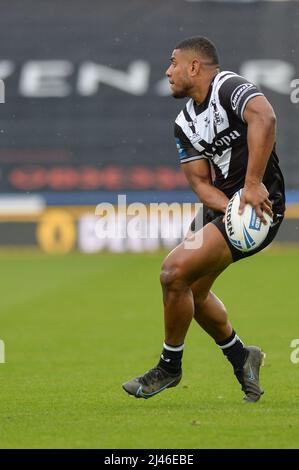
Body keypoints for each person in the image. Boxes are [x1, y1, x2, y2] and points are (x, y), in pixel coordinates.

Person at [122, 36, 285, 402]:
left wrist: (252, 185)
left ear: (194, 67)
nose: (168, 71)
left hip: (261, 204)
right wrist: (228, 207)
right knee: (190, 291)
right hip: (224, 207)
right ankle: (242, 357)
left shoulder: (228, 86)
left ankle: (169, 367)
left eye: (173, 62)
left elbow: (266, 117)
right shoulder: (184, 123)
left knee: (172, 273)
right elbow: (199, 182)